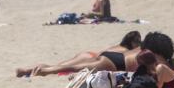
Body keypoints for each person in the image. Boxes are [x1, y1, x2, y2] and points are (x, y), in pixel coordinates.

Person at [16, 30, 156, 78]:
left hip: (91, 54)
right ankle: (41, 71)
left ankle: (28, 69)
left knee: (59, 65)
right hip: (100, 58)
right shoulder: (128, 51)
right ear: (132, 42)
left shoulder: (120, 46)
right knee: (64, 69)